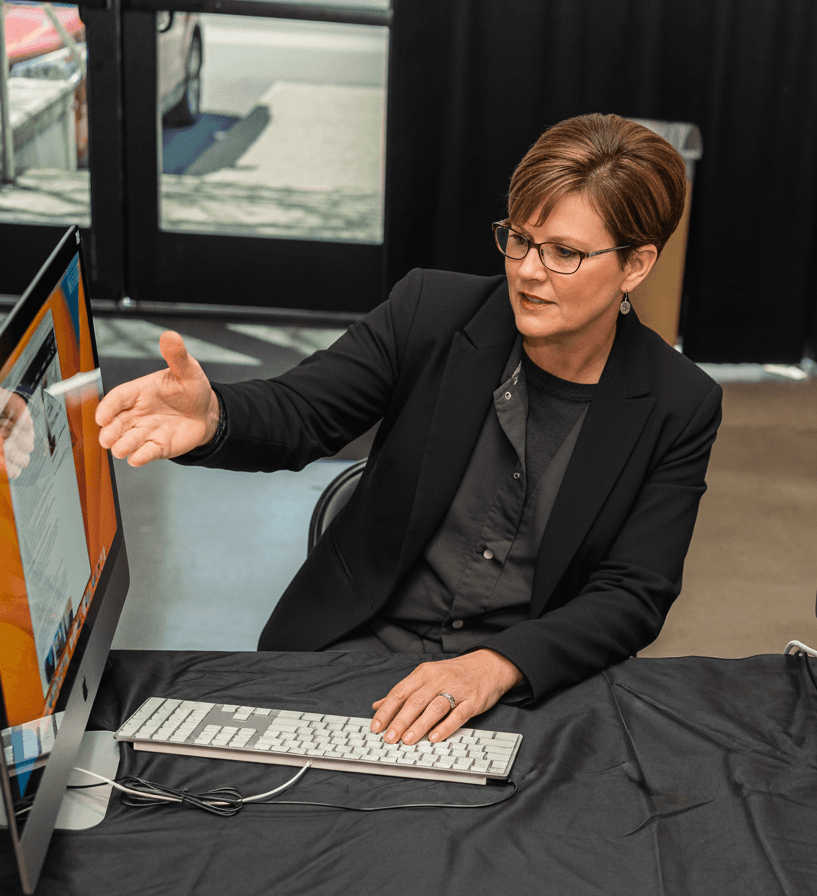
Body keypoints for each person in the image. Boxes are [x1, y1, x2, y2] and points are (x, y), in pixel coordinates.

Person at [96, 113, 722, 751]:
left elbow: (632, 594)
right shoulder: (430, 312)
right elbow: (303, 412)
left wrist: (496, 666)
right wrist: (215, 417)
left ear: (636, 266)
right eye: (519, 239)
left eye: (564, 252)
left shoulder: (679, 403)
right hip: (349, 650)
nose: (529, 271)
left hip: (519, 688)